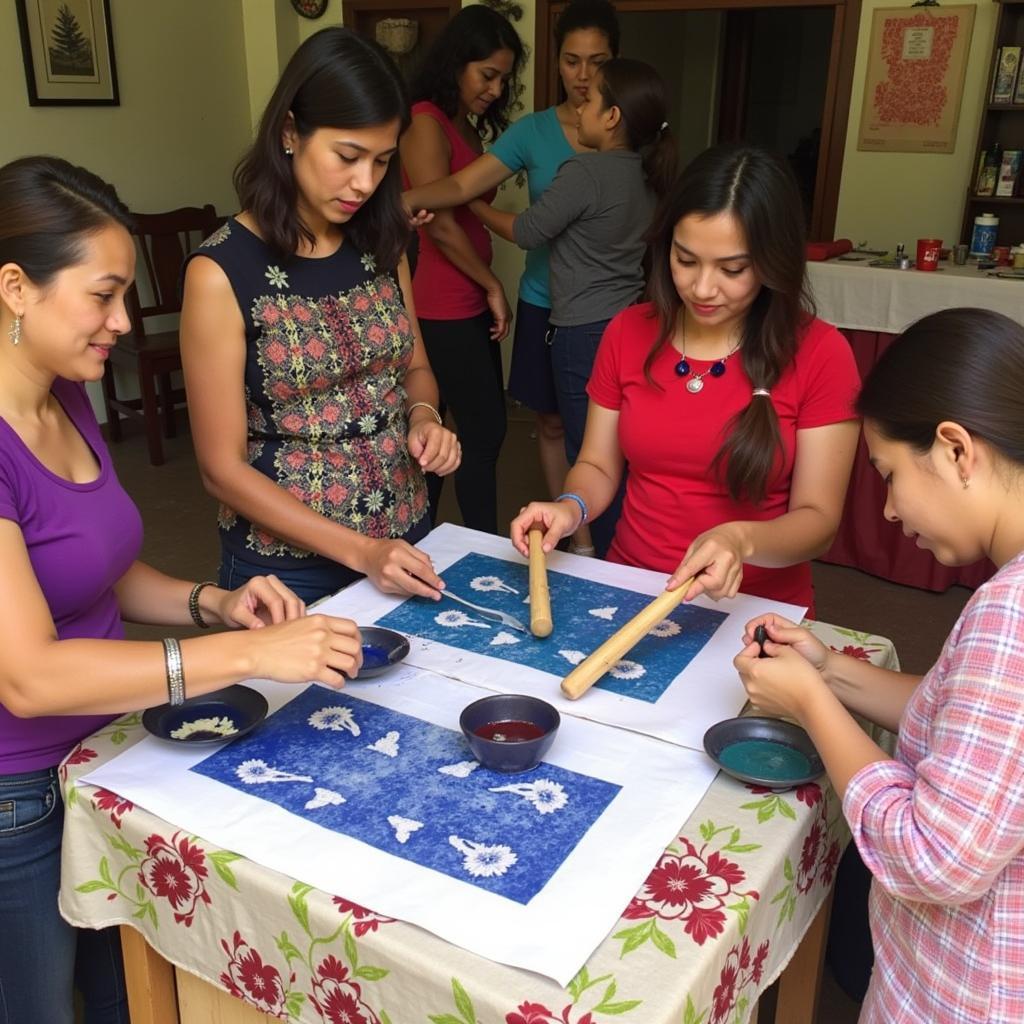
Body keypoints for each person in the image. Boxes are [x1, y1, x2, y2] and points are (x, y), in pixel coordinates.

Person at [0, 156, 364, 1024]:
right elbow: (29, 677)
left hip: (100, 755)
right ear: (16, 287)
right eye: (104, 295)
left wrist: (217, 602)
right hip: (16, 795)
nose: (123, 322)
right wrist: (242, 652)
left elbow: (97, 569)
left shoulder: (63, 396)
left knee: (135, 989)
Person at [734, 307, 1024, 1024]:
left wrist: (810, 705)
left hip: (965, 993)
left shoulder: (1009, 614)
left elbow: (938, 858)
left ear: (957, 449)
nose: (890, 509)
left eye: (890, 475)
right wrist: (828, 669)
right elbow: (971, 723)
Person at [511, 144, 860, 611]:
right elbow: (597, 464)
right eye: (686, 259)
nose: (701, 288)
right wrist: (569, 507)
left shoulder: (820, 352)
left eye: (732, 269)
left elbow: (818, 521)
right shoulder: (628, 331)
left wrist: (741, 540)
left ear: (773, 261)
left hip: (754, 610)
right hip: (633, 589)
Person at [181, 28, 460, 606]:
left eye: (382, 161)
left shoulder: (382, 243)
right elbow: (221, 468)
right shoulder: (222, 271)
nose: (365, 182)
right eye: (348, 156)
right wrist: (360, 552)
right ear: (290, 132)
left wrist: (425, 418)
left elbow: (416, 371)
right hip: (288, 573)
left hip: (403, 540)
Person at [403, 0, 620, 554]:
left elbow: (468, 202)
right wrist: (388, 203)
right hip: (474, 298)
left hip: (592, 307)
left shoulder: (621, 133)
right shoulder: (504, 130)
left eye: (597, 61)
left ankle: (440, 544)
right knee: (479, 430)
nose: (584, 75)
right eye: (571, 60)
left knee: (465, 431)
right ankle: (460, 549)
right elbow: (452, 202)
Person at [470, 56, 676, 556]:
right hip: (630, 323)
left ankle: (606, 560)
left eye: (589, 100)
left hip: (582, 329)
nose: (576, 110)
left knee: (590, 454)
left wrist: (472, 205)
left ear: (611, 117)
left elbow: (528, 231)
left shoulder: (585, 170)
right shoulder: (646, 174)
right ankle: (618, 554)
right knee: (619, 451)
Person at [400, 4, 525, 534]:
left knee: (452, 435)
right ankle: (479, 551)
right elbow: (442, 226)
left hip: (463, 297)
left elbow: (460, 205)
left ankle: (425, 544)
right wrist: (493, 282)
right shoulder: (425, 121)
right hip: (442, 301)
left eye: (503, 78)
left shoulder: (459, 125)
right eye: (487, 74)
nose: (495, 89)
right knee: (481, 431)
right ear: (457, 62)